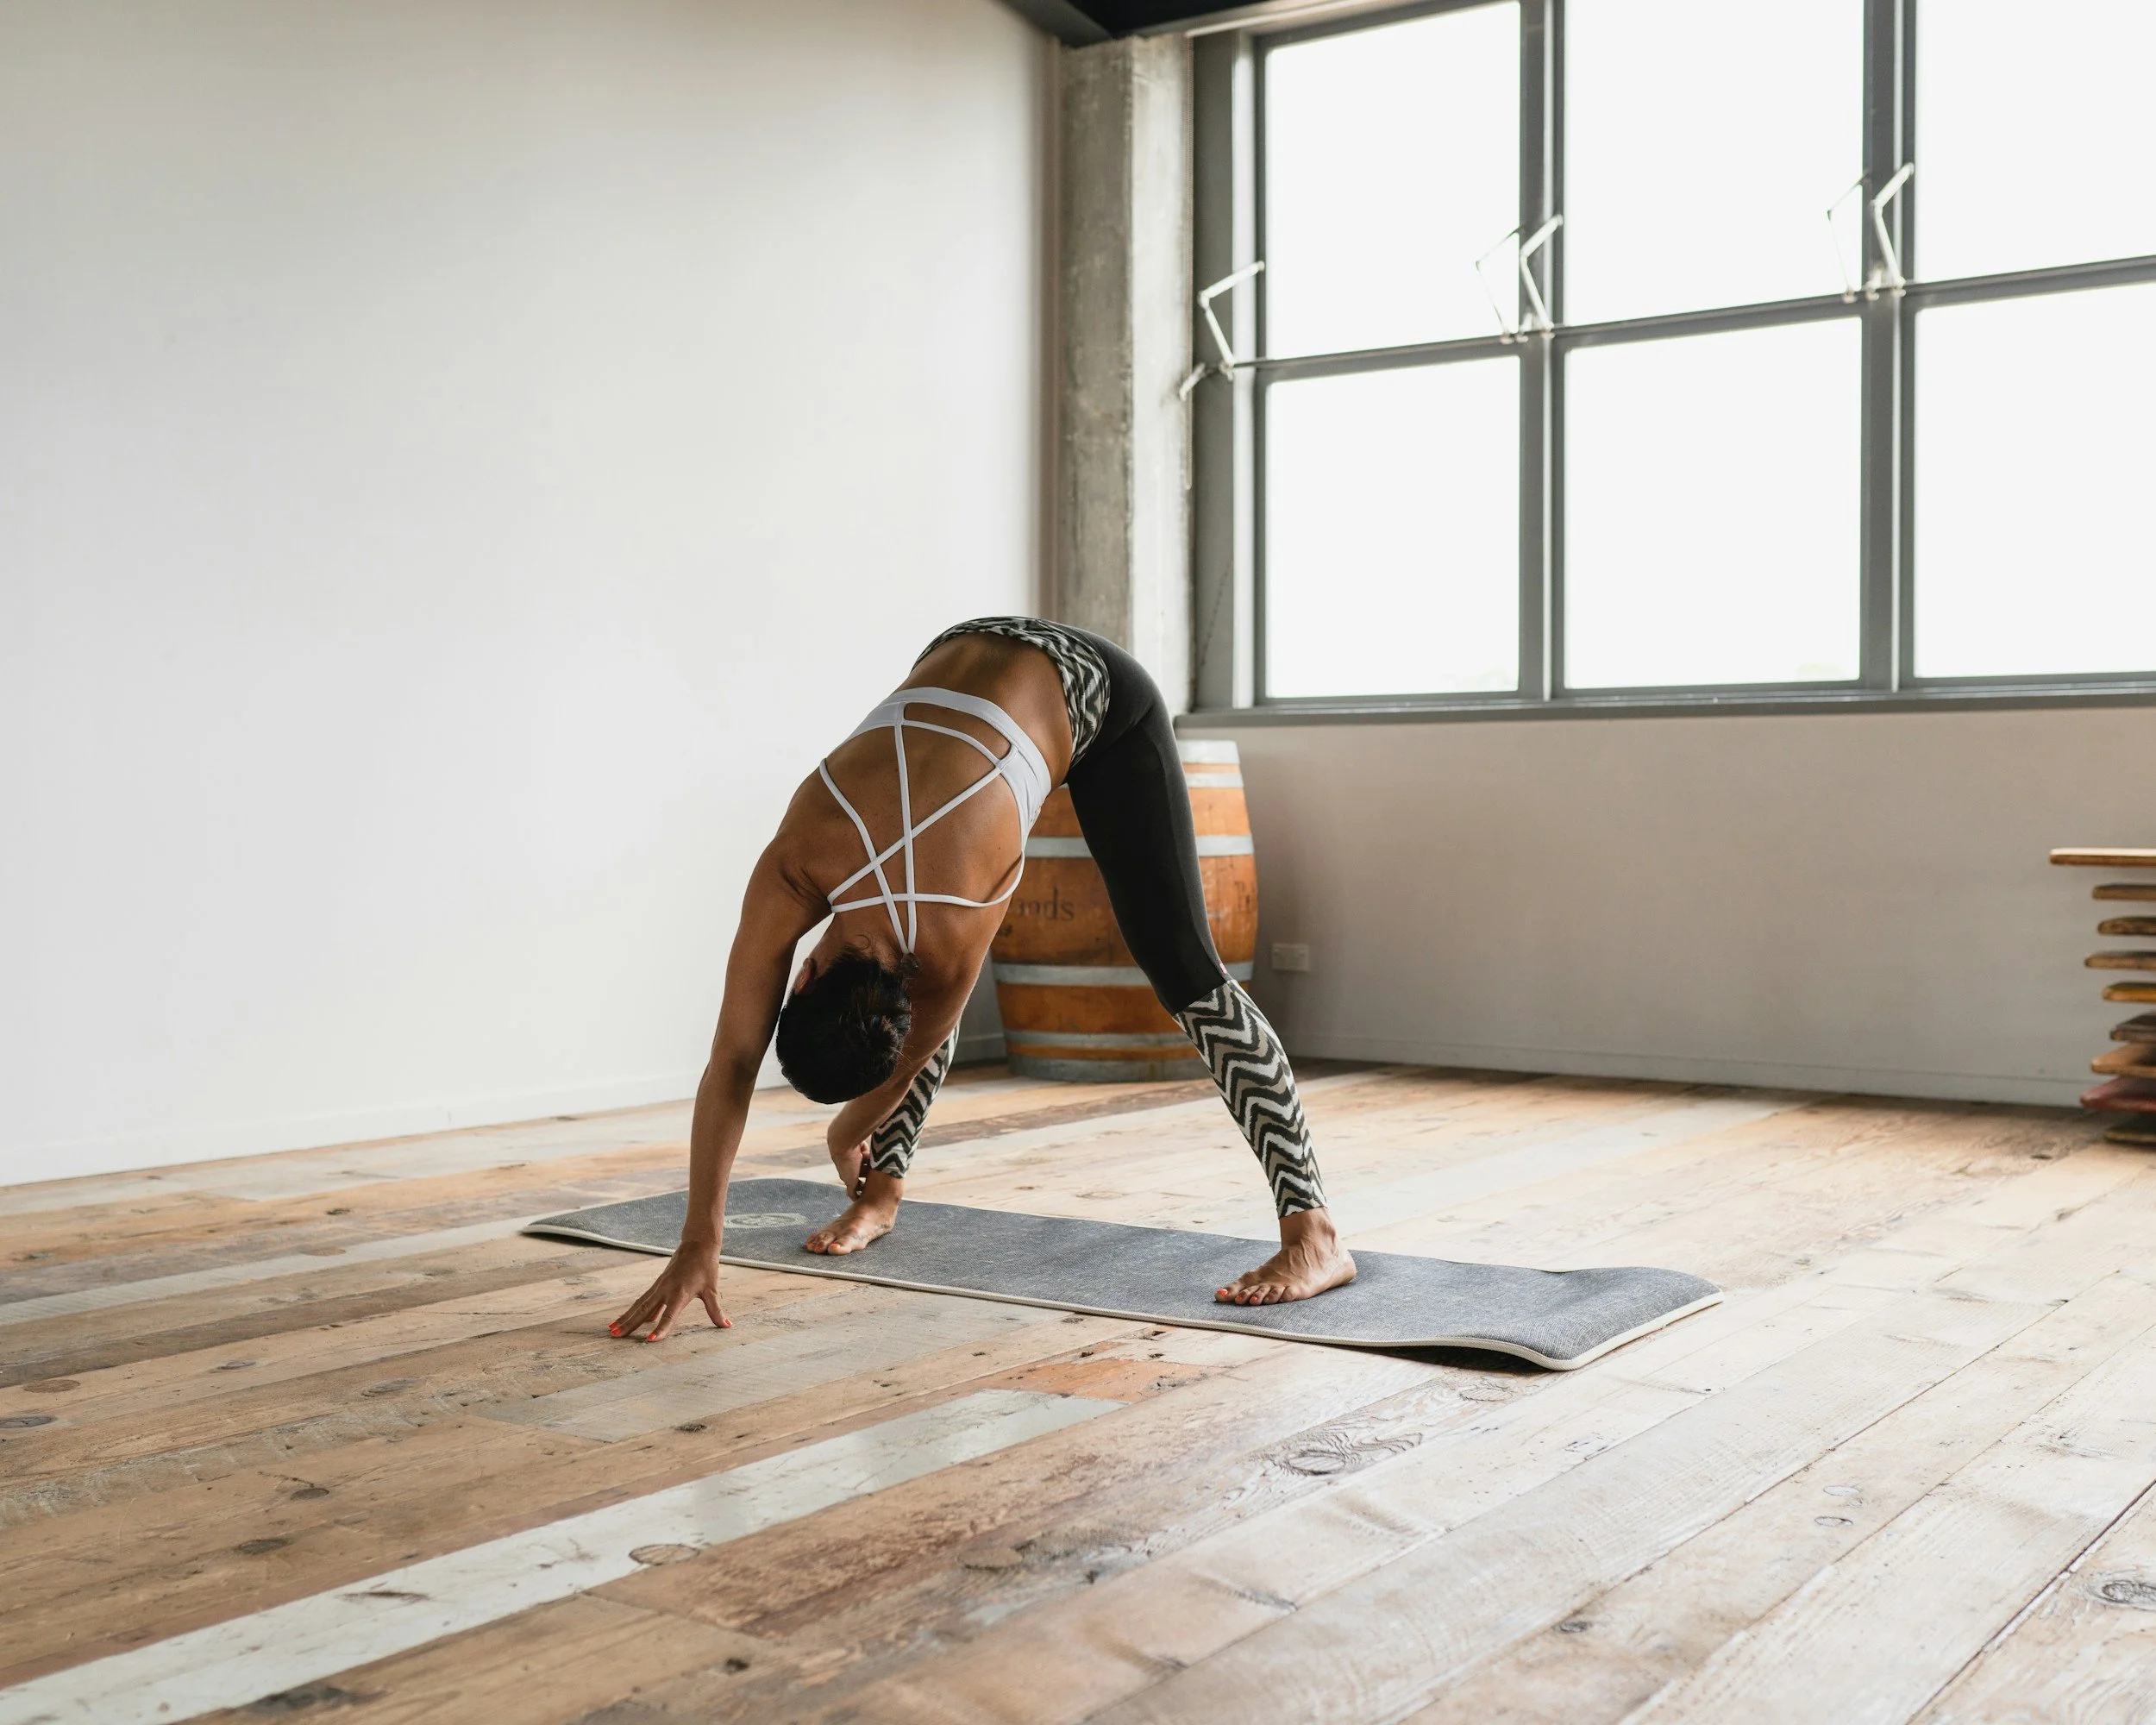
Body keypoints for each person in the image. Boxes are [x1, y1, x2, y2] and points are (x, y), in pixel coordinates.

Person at [610, 618, 1355, 1342]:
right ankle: (882, 1197)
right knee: (948, 999)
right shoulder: (799, 862)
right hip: (969, 644)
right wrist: (698, 1242)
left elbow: (882, 1056)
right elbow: (746, 1061)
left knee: (1189, 974)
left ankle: (1315, 1232)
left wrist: (845, 1132)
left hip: (1100, 694)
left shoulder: (954, 918)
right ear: (804, 978)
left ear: (800, 974)